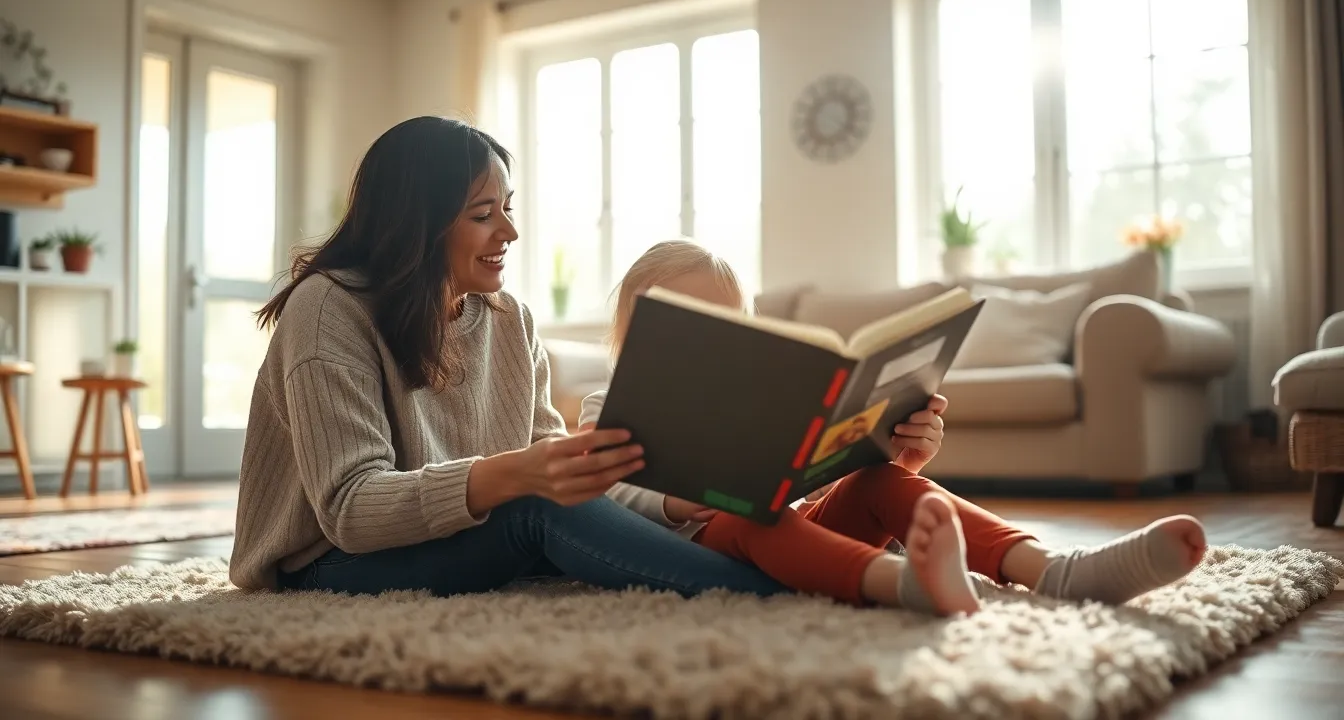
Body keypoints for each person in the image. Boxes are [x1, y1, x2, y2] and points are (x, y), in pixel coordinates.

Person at [228, 116, 798, 600]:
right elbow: (351, 508)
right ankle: (771, 591)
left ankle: (803, 562)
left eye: (507, 207)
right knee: (537, 506)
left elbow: (543, 449)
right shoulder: (329, 309)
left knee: (568, 507)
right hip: (327, 563)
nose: (510, 230)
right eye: (483, 214)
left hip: (457, 536)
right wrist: (513, 475)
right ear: (416, 224)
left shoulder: (509, 318)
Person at [582, 239, 1210, 607]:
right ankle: (904, 587)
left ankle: (1054, 570)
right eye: (688, 325)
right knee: (751, 515)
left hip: (786, 538)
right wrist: (677, 498)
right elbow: (602, 497)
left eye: (727, 327)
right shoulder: (605, 404)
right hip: (697, 552)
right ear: (632, 334)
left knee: (880, 482)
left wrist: (887, 453)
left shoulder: (752, 392)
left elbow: (797, 488)